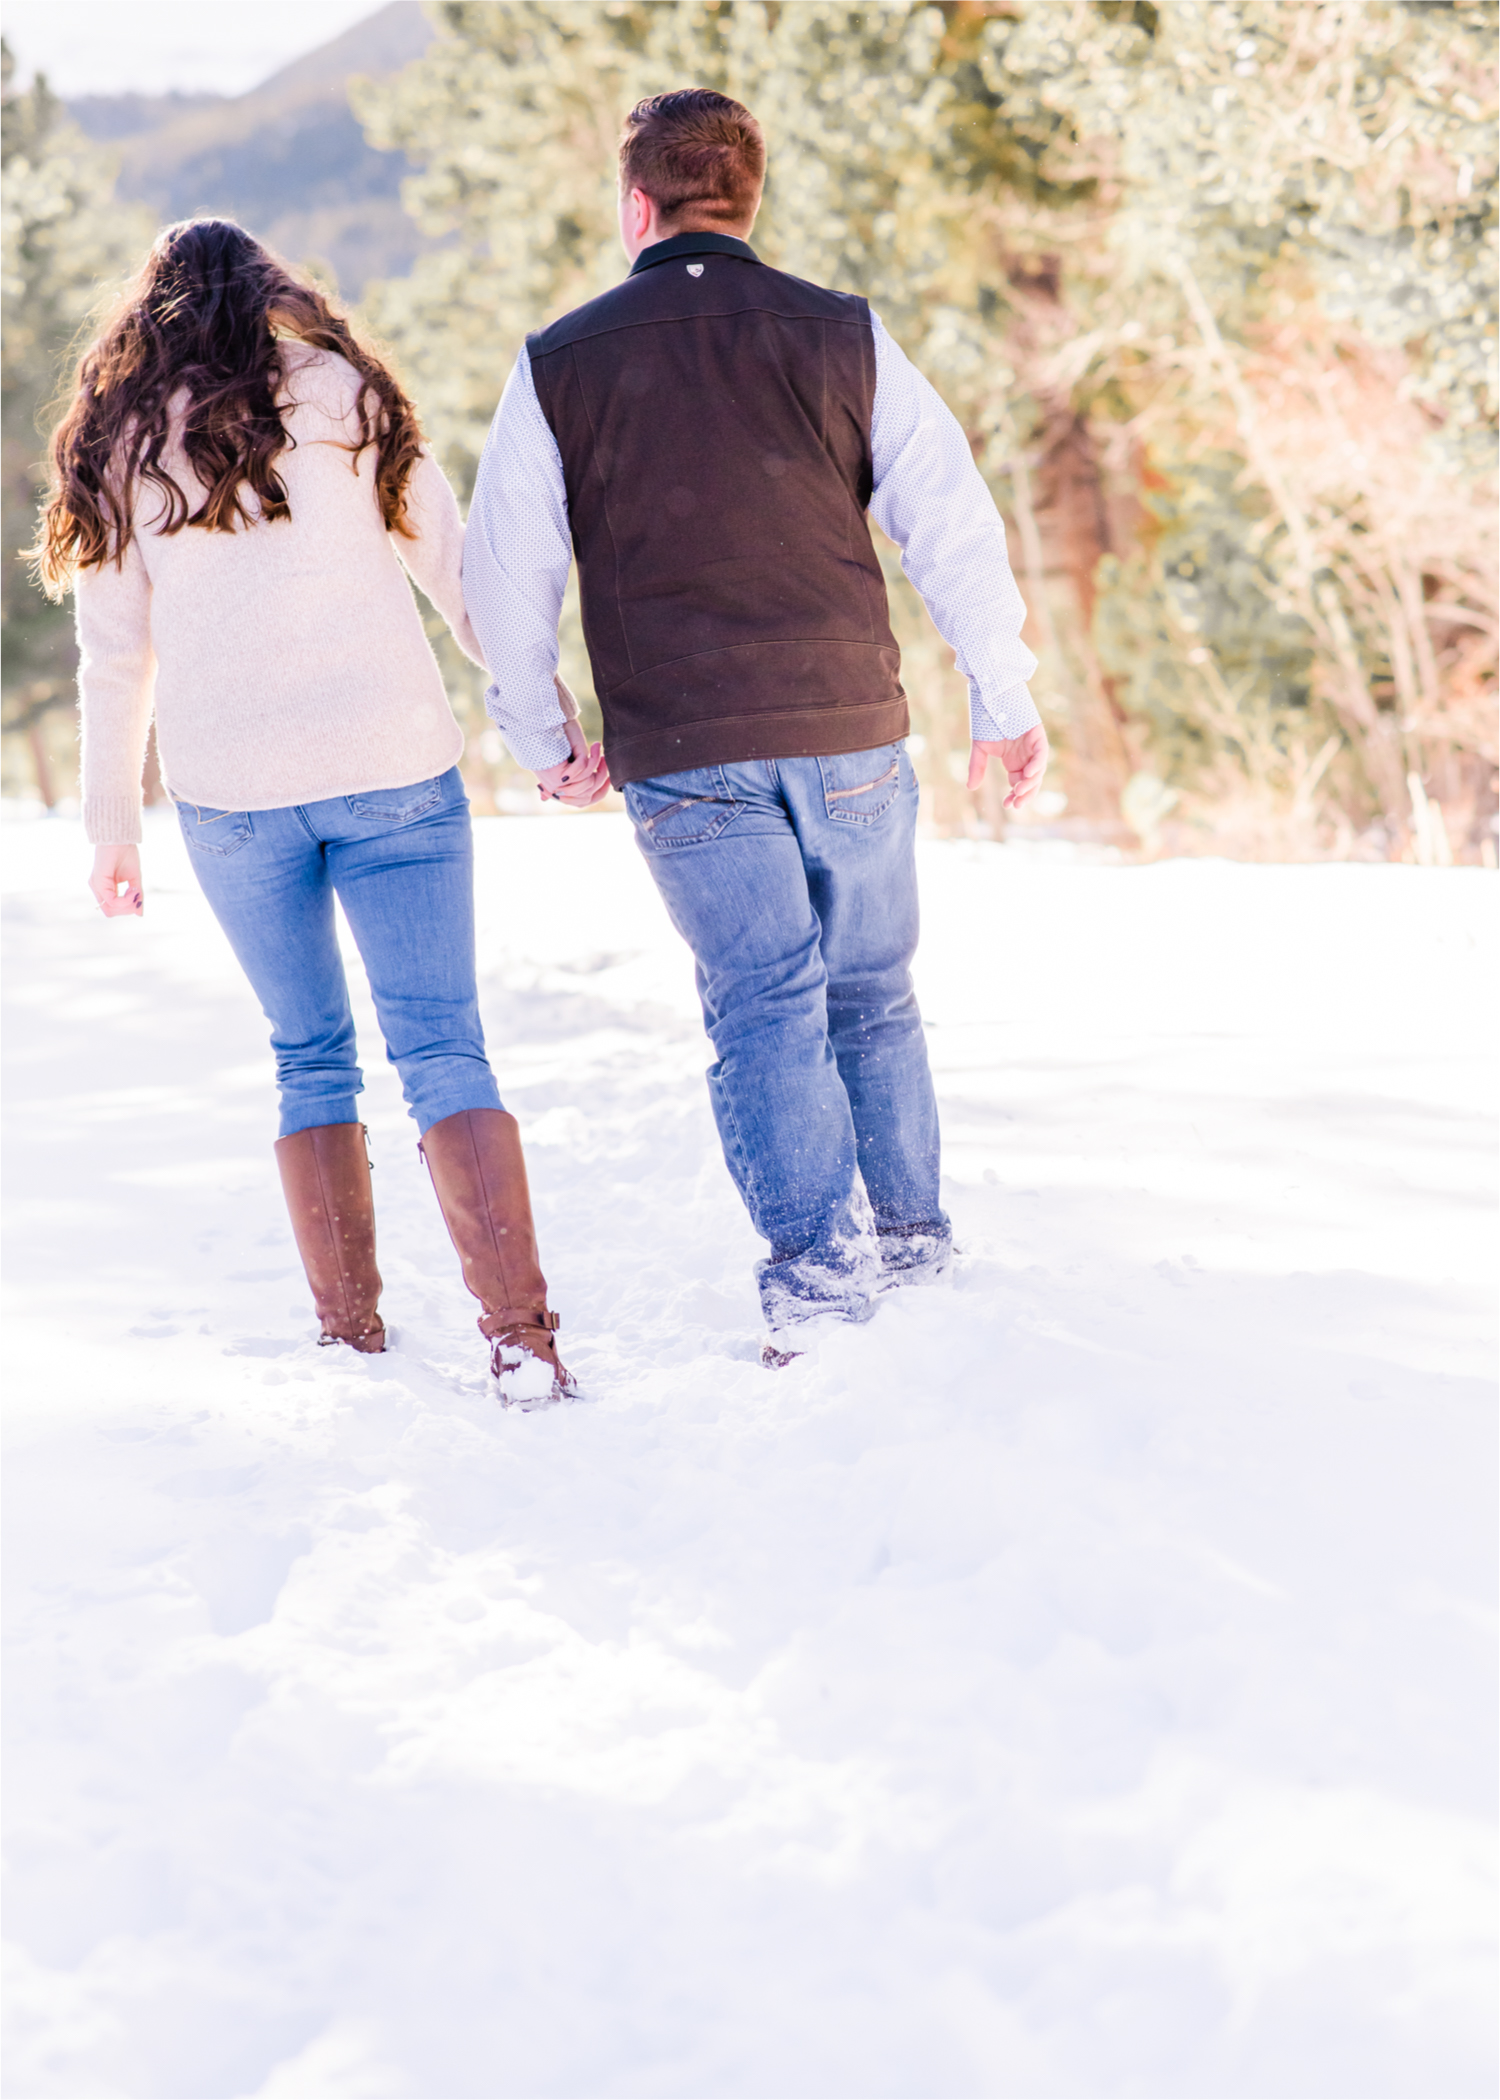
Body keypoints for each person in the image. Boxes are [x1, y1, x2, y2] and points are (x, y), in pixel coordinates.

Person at [464, 91, 1047, 1363]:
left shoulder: (558, 363)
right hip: (850, 729)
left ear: (637, 205)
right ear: (750, 199)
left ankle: (822, 1286)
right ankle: (914, 1250)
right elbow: (952, 522)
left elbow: (506, 580)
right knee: (874, 994)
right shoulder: (844, 335)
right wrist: (1002, 698)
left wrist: (544, 736)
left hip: (687, 753)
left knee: (765, 1004)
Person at [35, 219, 608, 1401]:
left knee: (310, 1057)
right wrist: (540, 722)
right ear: (270, 292)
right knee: (443, 1043)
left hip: (232, 794)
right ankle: (522, 1339)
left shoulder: (124, 437)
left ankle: (352, 1343)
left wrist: (112, 829)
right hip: (392, 763)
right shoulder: (348, 393)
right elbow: (458, 569)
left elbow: (112, 658)